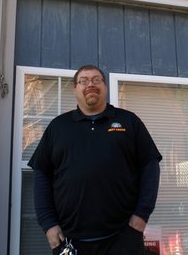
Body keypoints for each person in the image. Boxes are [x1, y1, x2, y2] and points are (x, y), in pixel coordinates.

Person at [28, 65, 162, 255]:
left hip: (123, 239)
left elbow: (150, 165)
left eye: (96, 79)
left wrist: (141, 215)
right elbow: (41, 173)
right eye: (83, 81)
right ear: (75, 89)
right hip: (69, 240)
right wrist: (48, 224)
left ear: (105, 87)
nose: (90, 84)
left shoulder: (129, 122)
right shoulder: (58, 127)